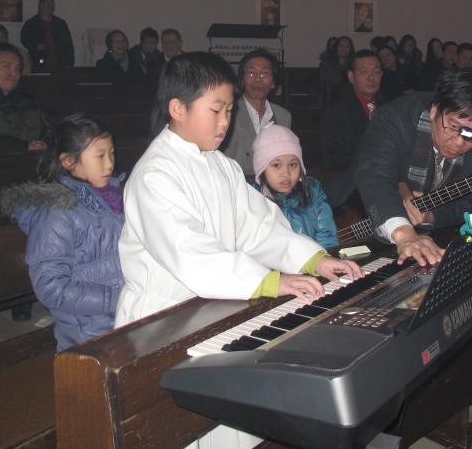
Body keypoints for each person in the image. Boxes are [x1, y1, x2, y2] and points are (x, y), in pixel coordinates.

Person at [115, 51, 362, 325]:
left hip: (212, 304)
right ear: (178, 109)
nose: (224, 121)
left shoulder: (222, 165)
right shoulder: (154, 175)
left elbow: (258, 227)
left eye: (230, 111)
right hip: (161, 316)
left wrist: (314, 260)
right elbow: (189, 252)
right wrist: (271, 281)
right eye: (216, 110)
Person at [0, 114, 124, 351]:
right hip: (88, 332)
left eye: (112, 153)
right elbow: (51, 287)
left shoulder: (114, 197)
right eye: (100, 156)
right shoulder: (57, 213)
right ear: (68, 161)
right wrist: (117, 298)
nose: (109, 164)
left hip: (125, 316)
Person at [354, 70, 472, 266]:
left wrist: (431, 216)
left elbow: (471, 202)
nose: (459, 142)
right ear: (434, 111)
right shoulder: (394, 118)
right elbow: (376, 177)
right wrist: (405, 234)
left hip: (429, 234)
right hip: (357, 215)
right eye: (453, 126)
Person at [252, 124, 338, 249]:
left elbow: (327, 238)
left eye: (293, 165)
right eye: (276, 165)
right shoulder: (252, 200)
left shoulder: (312, 191)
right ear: (261, 169)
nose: (286, 173)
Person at [222, 49, 292, 176]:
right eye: (251, 72)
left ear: (273, 83)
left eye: (265, 73)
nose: (258, 79)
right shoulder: (228, 112)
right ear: (242, 80)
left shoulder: (283, 116)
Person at [320, 49, 383, 171]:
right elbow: (333, 160)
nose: (371, 78)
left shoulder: (391, 107)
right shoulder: (336, 113)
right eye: (363, 72)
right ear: (351, 77)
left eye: (376, 72)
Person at [20, 0, 75, 71]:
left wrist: (70, 63)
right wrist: (35, 46)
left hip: (61, 65)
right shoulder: (31, 23)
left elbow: (69, 45)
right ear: (40, 6)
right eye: (49, 5)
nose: (52, 7)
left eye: (53, 5)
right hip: (39, 63)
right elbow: (24, 39)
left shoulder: (60, 24)